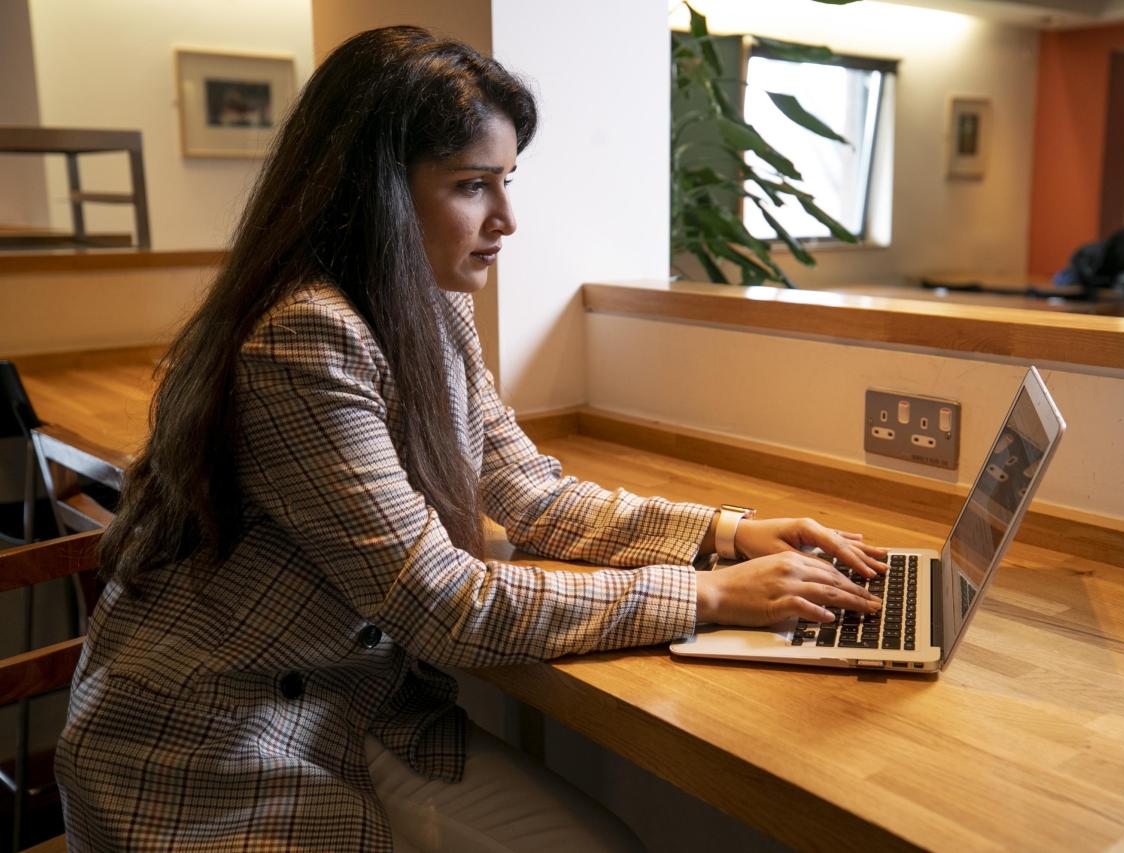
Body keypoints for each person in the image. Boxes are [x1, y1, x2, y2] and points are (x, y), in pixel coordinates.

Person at [55, 26, 886, 852]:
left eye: (507, 180)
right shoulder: (302, 335)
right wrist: (706, 597)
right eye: (472, 185)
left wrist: (727, 534)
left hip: (348, 704)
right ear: (372, 190)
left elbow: (531, 492)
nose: (507, 218)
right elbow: (445, 606)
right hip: (209, 740)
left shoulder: (430, 305)